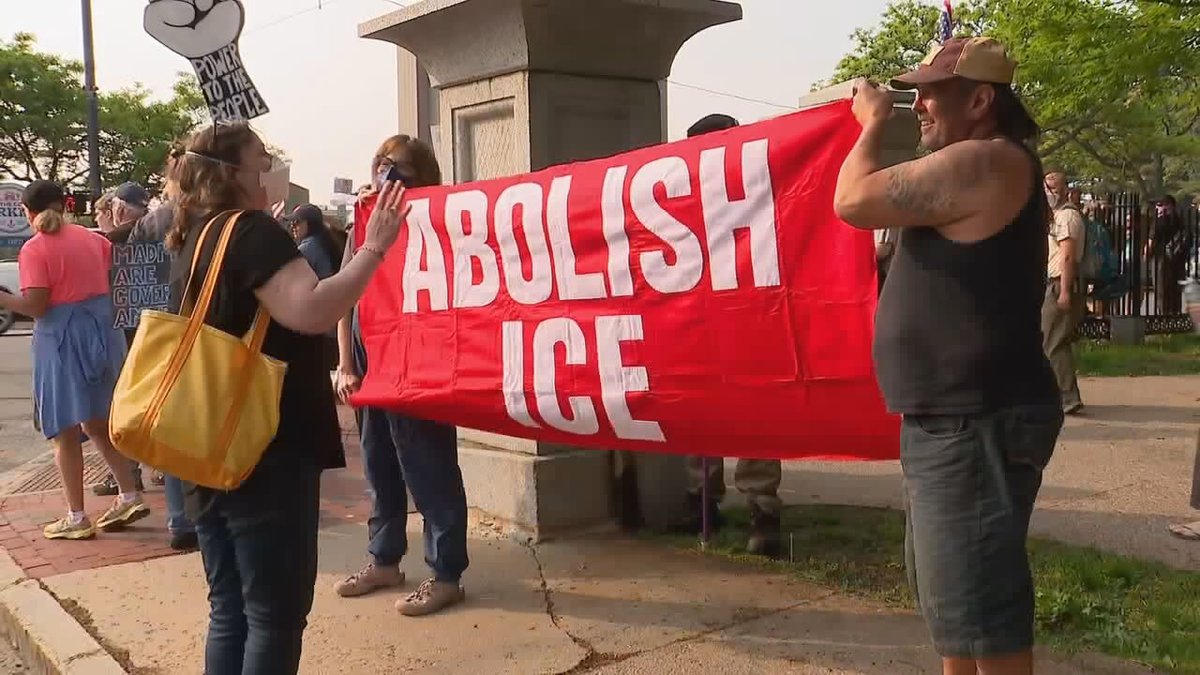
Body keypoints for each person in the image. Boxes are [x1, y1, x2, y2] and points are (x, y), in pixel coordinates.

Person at [834, 37, 1062, 675]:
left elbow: (852, 200)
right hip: (955, 419)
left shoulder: (986, 162)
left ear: (982, 100)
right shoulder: (982, 160)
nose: (919, 105)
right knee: (958, 612)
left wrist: (873, 123)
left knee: (982, 616)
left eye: (931, 93)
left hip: (975, 421)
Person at [166, 122, 406, 674]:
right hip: (263, 447)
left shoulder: (197, 232)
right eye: (262, 156)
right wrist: (373, 248)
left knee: (230, 609)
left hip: (208, 439)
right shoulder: (251, 232)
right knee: (274, 614)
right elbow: (313, 310)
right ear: (236, 172)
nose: (271, 165)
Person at [332, 134, 470, 617]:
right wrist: (345, 363)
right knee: (379, 464)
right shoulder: (365, 220)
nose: (386, 175)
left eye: (400, 170)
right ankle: (384, 559)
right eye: (381, 164)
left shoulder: (438, 218)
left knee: (429, 466)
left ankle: (446, 572)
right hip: (373, 358)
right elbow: (344, 294)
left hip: (420, 360)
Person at [0, 181, 148, 540]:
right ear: (65, 205)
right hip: (102, 334)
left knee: (63, 428)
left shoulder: (35, 249)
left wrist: (3, 299)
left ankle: (76, 516)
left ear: (26, 211)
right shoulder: (94, 239)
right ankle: (129, 493)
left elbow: (36, 305)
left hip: (61, 339)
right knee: (97, 422)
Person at [676, 113, 783, 557]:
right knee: (700, 409)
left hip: (750, 314)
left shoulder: (760, 188)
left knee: (756, 414)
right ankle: (704, 497)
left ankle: (762, 510)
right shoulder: (683, 195)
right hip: (700, 316)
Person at [1043, 171, 1086, 415]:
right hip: (1055, 282)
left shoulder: (1068, 216)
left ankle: (1067, 397)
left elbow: (1068, 256)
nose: (1049, 191)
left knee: (1053, 343)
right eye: (1046, 185)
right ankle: (1058, 394)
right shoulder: (1055, 216)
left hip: (1061, 282)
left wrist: (1065, 292)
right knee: (1053, 340)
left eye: (1053, 186)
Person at [285, 204, 342, 368]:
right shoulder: (327, 243)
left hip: (316, 330)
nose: (292, 226)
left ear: (309, 223)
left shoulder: (307, 249)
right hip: (332, 326)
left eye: (297, 222)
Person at [1147, 195, 1191, 315]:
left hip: (1161, 260)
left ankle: (1164, 318)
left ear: (1168, 205)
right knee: (1175, 293)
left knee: (1162, 293)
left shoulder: (1158, 222)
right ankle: (1175, 317)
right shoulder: (1180, 221)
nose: (1157, 208)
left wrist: (1146, 255)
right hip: (1178, 261)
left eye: (1159, 205)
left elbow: (1150, 244)